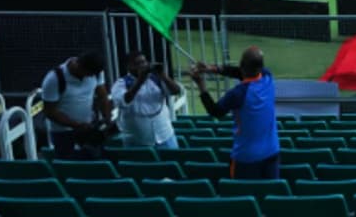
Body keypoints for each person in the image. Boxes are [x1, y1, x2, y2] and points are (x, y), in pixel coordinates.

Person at [190, 47, 280, 179]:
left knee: (243, 196)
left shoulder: (237, 94)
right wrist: (211, 68)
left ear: (242, 66)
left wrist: (200, 84)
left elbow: (215, 112)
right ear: (261, 67)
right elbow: (242, 72)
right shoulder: (268, 77)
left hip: (246, 158)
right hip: (272, 153)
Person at [41, 52, 113, 160]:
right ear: (80, 66)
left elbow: (103, 96)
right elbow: (49, 112)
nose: (90, 77)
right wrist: (76, 125)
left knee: (97, 165)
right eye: (88, 74)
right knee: (71, 168)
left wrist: (107, 117)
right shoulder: (54, 79)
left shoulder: (95, 73)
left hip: (89, 130)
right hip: (63, 134)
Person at [111, 51, 181, 149]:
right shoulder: (121, 83)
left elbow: (176, 91)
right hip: (136, 141)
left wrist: (163, 75)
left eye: (144, 62)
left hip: (164, 136)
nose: (142, 66)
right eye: (138, 64)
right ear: (129, 66)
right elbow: (124, 101)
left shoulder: (156, 79)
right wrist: (140, 80)